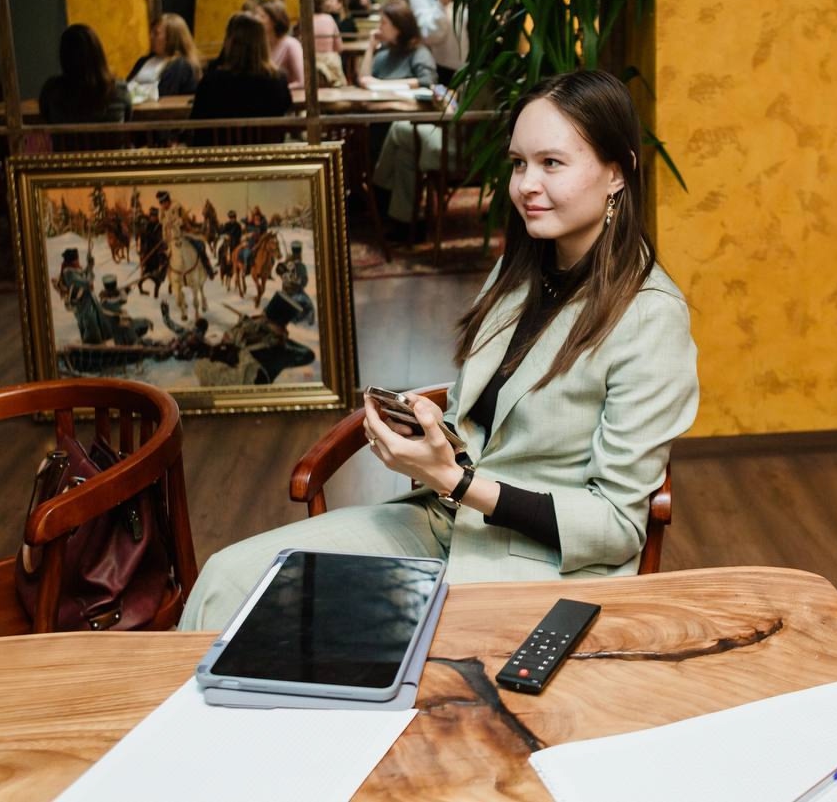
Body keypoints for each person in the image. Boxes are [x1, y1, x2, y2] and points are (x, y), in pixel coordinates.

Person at [180, 70, 700, 630]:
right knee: (225, 581)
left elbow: (618, 525)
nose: (526, 184)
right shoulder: (520, 272)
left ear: (617, 172)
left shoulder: (651, 318)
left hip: (538, 563)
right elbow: (482, 421)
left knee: (332, 638)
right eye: (518, 163)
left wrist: (456, 480)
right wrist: (429, 433)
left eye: (552, 163)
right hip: (445, 520)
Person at [189, 11, 293, 143]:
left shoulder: (211, 81)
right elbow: (285, 108)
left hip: (221, 153)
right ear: (263, 43)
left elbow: (196, 122)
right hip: (267, 152)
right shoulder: (277, 79)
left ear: (230, 43)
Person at [39, 24, 133, 123]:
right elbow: (127, 121)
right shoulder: (119, 90)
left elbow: (46, 119)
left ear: (64, 57)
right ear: (98, 53)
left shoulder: (51, 91)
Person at [358, 1, 437, 89]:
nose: (379, 27)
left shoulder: (419, 53)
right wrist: (370, 48)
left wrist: (381, 84)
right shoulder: (383, 53)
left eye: (383, 22)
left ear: (398, 26)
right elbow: (364, 80)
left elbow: (428, 80)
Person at [126, 13, 202, 100]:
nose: (150, 37)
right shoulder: (143, 61)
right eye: (151, 32)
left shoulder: (181, 65)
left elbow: (165, 94)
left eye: (156, 33)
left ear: (171, 38)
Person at [420, 0, 468, 86]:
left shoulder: (460, 9)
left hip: (462, 62)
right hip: (442, 64)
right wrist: (441, 5)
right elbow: (433, 36)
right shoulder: (430, 11)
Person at [259, 0, 305, 89]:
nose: (257, 20)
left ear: (275, 20)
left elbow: (301, 82)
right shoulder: (260, 45)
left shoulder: (291, 44)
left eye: (262, 16)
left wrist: (274, 91)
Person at [311, 0, 346, 87]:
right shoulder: (329, 19)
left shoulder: (304, 21)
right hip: (331, 64)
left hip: (311, 65)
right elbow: (339, 47)